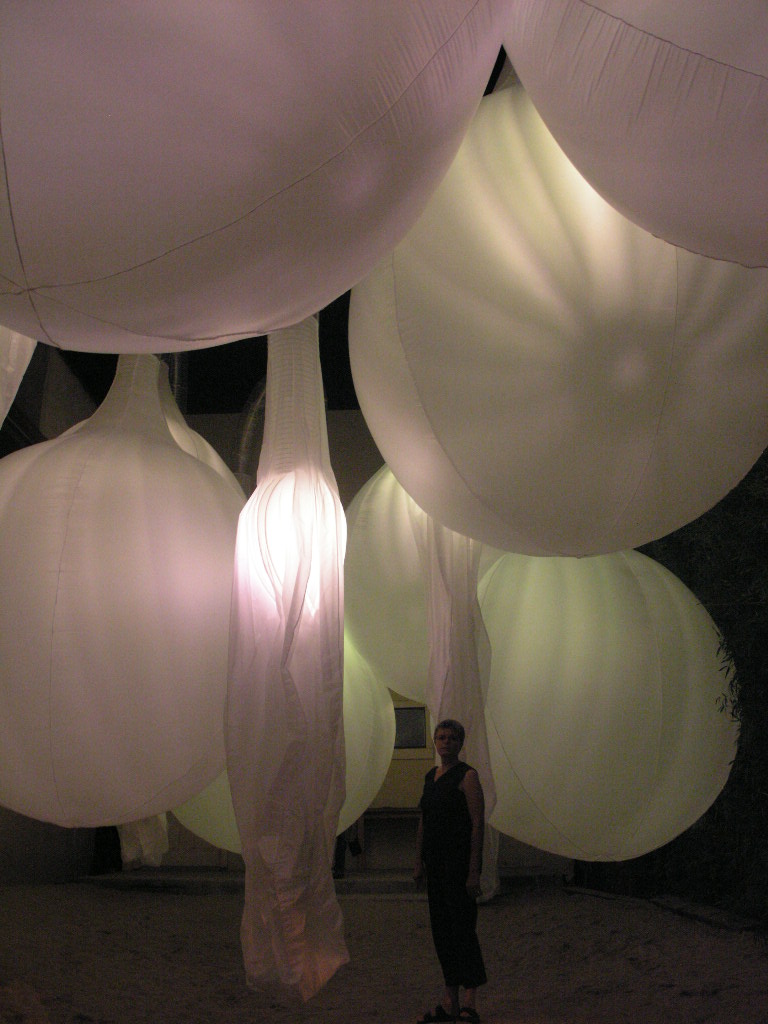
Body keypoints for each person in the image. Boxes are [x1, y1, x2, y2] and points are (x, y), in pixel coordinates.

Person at [414, 719, 487, 1023]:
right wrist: (418, 862)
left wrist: (474, 871)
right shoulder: (430, 777)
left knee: (462, 929)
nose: (446, 742)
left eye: (452, 738)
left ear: (460, 743)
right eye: (441, 737)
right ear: (435, 741)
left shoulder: (467, 776)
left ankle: (470, 1000)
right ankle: (450, 1000)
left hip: (458, 865)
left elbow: (477, 824)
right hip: (435, 865)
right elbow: (424, 820)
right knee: (442, 931)